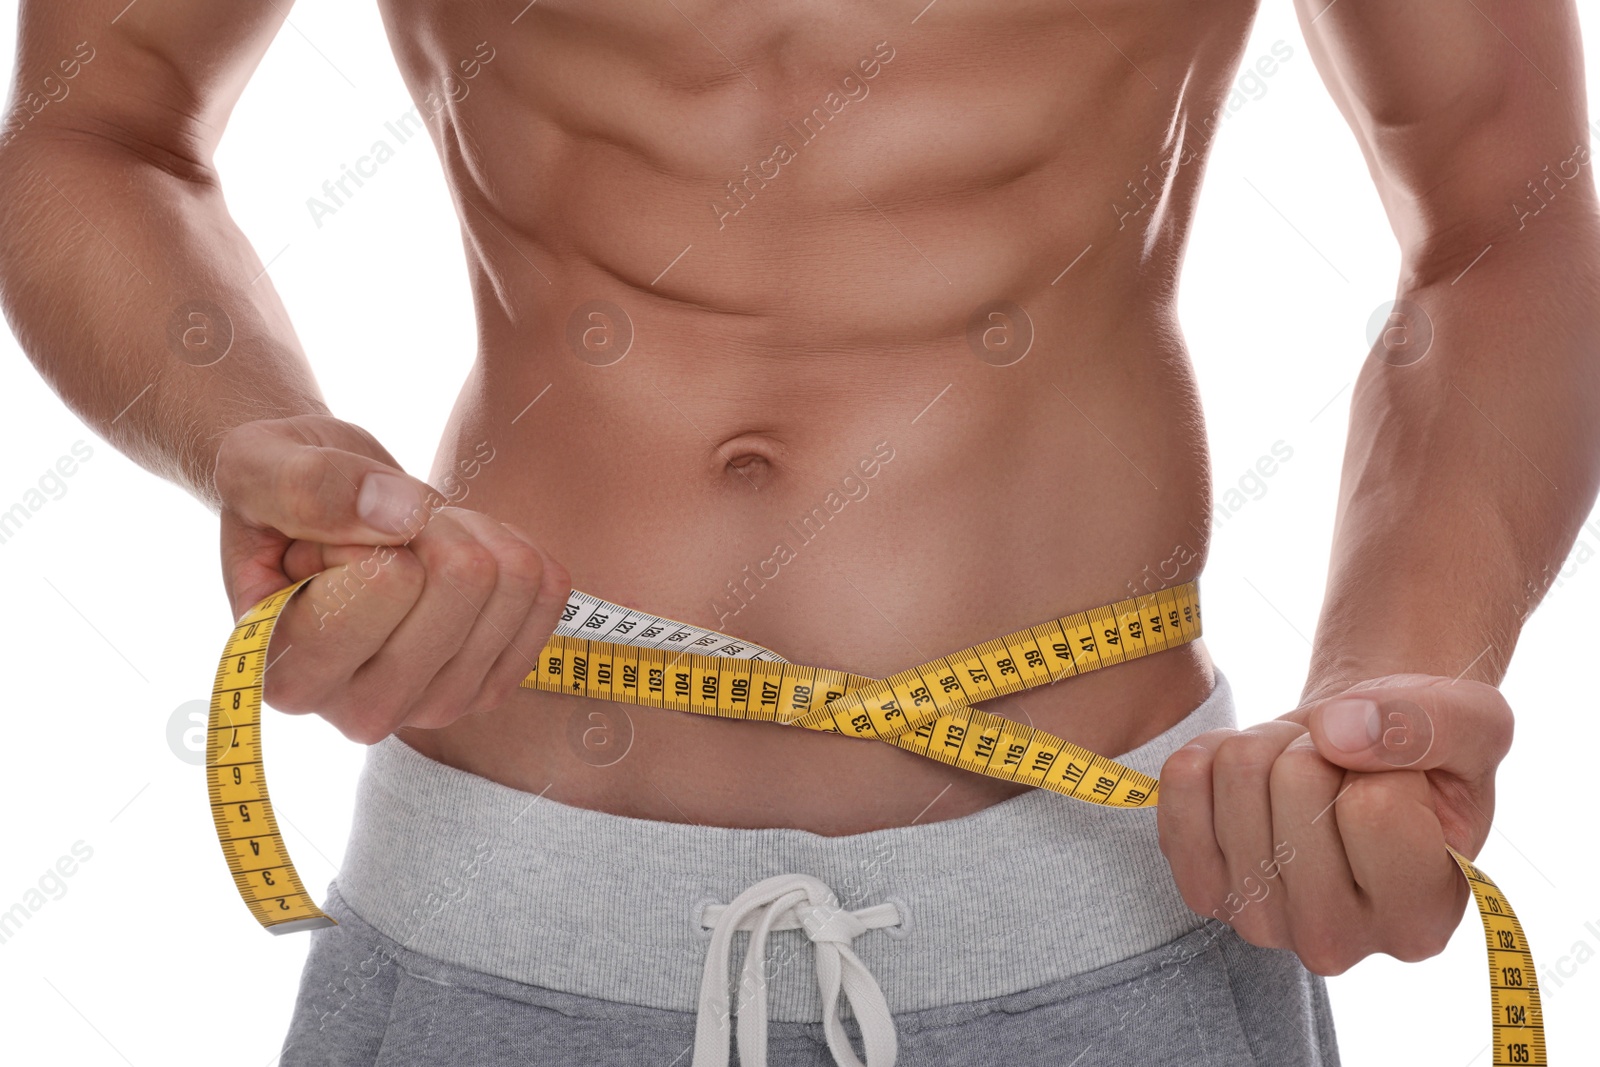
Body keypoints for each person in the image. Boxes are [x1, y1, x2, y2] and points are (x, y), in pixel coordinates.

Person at [1, 1, 1595, 1064]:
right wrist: (262, 444)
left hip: (1112, 927)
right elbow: (99, 126)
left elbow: (1505, 212)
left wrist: (1382, 699)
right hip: (497, 918)